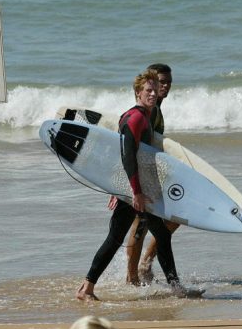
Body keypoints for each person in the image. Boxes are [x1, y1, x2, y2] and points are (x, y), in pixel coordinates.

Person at [76, 70, 185, 301]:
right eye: (149, 90)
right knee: (119, 238)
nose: (154, 93)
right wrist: (134, 191)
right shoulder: (135, 118)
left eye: (156, 89)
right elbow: (126, 155)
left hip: (134, 188)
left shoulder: (147, 115)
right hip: (133, 191)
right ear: (138, 92)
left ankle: (87, 288)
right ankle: (86, 288)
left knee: (146, 237)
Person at [123, 63, 180, 286]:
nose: (164, 87)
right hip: (140, 177)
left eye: (168, 83)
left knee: (173, 218)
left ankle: (145, 263)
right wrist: (125, 183)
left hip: (152, 174)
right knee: (140, 223)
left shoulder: (156, 108)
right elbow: (128, 146)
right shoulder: (146, 110)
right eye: (160, 82)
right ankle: (133, 275)